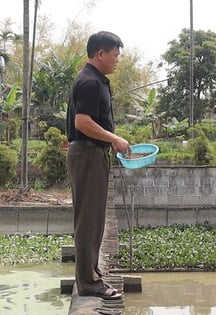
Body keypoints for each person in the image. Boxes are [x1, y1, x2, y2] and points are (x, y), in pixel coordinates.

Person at [66, 31, 131, 300]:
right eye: (115, 55)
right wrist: (114, 138)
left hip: (94, 154)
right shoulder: (90, 83)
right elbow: (82, 122)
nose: (117, 60)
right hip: (88, 154)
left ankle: (91, 274)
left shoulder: (97, 81)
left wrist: (110, 141)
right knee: (88, 220)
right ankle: (89, 283)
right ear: (101, 54)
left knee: (94, 219)